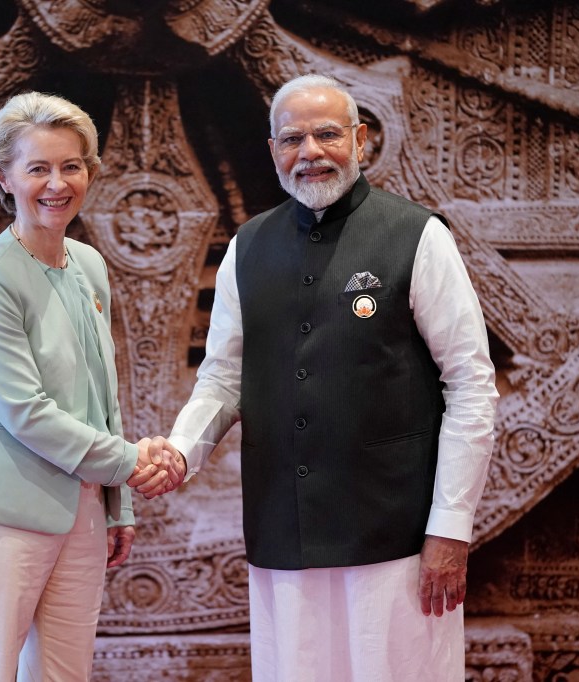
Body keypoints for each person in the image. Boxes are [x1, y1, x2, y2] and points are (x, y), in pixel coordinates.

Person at [138, 74, 499, 681]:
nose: (310, 152)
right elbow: (224, 376)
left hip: (396, 536)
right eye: (292, 138)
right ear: (273, 150)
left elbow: (470, 385)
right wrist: (179, 450)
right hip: (284, 532)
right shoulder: (246, 248)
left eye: (327, 134)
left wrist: (451, 528)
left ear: (360, 140)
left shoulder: (417, 237)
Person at [0, 91, 181, 682]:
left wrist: (116, 504)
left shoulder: (89, 265)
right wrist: (128, 463)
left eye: (71, 166)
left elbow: (103, 398)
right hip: (0, 520)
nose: (56, 183)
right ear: (4, 178)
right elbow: (25, 411)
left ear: (90, 173)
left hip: (83, 515)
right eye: (37, 168)